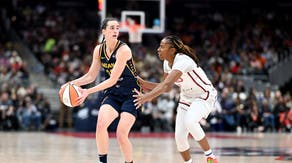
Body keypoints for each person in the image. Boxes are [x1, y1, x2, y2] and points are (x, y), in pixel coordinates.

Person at [60, 17, 141, 163]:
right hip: (113, 93)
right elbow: (91, 76)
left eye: (117, 28)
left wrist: (87, 92)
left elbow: (112, 79)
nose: (115, 30)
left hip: (131, 94)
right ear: (104, 31)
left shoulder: (124, 50)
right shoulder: (99, 50)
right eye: (111, 28)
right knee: (101, 125)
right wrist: (70, 84)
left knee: (121, 134)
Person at [134, 35, 218, 163]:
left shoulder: (183, 60)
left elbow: (166, 85)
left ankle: (210, 156)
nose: (158, 49)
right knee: (179, 138)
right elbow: (166, 87)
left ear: (172, 50)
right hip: (186, 98)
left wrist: (146, 97)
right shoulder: (167, 63)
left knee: (190, 121)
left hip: (204, 94)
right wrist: (143, 83)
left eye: (162, 47)